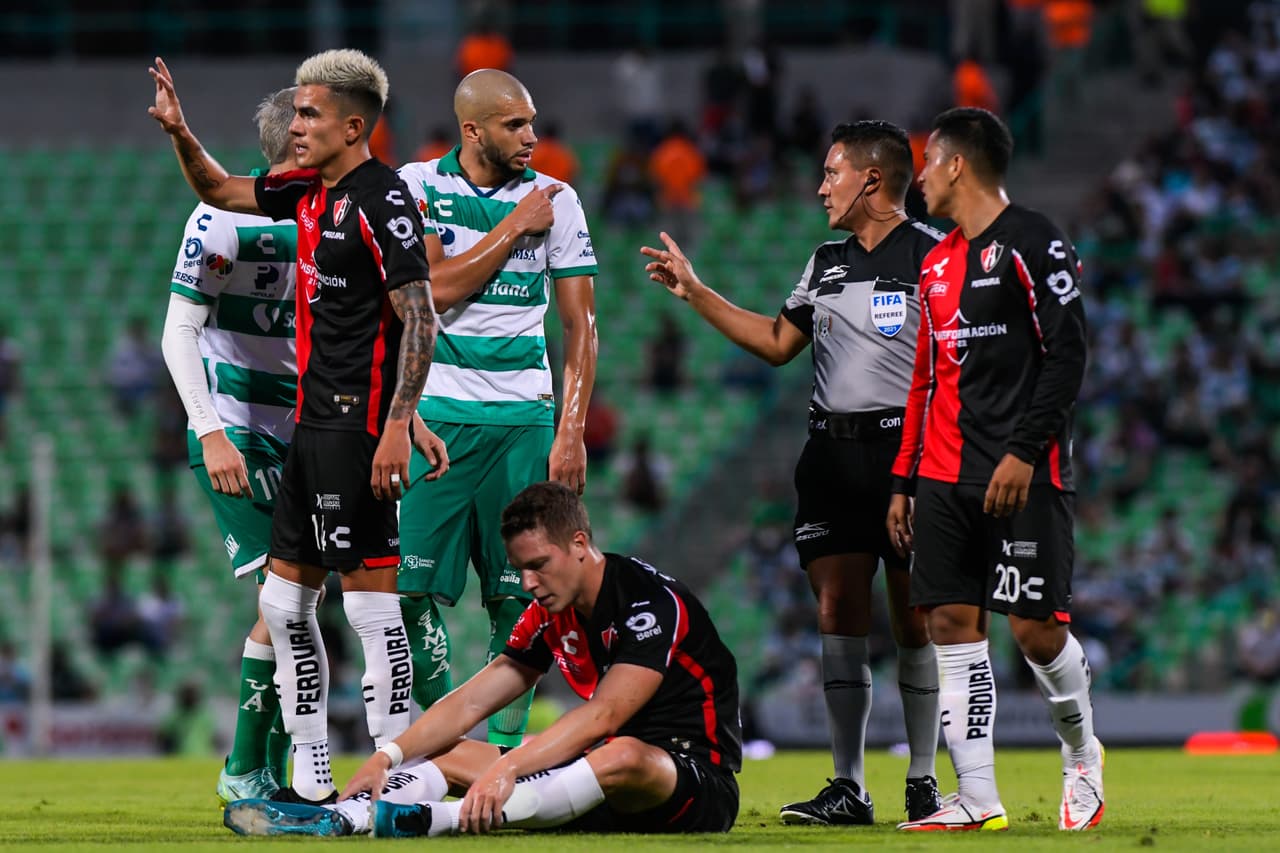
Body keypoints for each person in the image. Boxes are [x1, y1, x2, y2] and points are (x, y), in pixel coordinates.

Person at [149, 48, 447, 805]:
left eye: (309, 113)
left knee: (374, 610)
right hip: (307, 426)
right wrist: (181, 131)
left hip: (358, 427)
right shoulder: (307, 192)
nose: (294, 123)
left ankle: (396, 778)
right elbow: (218, 187)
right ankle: (311, 776)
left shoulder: (384, 202)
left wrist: (399, 423)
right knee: (285, 606)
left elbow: (421, 318)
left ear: (353, 126)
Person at [642, 120, 943, 826]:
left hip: (908, 455)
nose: (821, 187)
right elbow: (779, 342)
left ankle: (925, 779)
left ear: (872, 179)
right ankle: (849, 784)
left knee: (912, 616)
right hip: (831, 457)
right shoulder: (824, 261)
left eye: (833, 172)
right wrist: (695, 291)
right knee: (837, 611)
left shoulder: (934, 256)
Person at [222, 481, 741, 838]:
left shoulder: (648, 603)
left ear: (580, 544)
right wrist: (389, 756)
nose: (529, 583)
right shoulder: (547, 612)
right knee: (446, 751)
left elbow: (603, 716)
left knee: (624, 752)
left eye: (539, 566)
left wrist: (509, 766)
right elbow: (473, 700)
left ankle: (432, 822)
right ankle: (345, 817)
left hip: (690, 781)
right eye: (520, 569)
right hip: (590, 781)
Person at [887, 107, 1100, 832]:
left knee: (1036, 631)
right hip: (944, 474)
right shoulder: (936, 262)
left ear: (955, 164)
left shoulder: (1033, 243)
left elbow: (1068, 353)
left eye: (927, 162)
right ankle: (977, 794)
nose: (918, 177)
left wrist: (1022, 449)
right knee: (950, 620)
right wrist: (904, 478)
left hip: (1023, 473)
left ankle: (1082, 758)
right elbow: (926, 379)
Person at [395, 69, 598, 750]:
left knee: (524, 593)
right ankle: (456, 740)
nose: (532, 137)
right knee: (403, 591)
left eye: (533, 122)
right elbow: (436, 292)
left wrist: (570, 429)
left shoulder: (560, 200)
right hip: (437, 422)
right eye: (515, 125)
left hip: (524, 422)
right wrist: (514, 226)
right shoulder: (418, 187)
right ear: (473, 129)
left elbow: (581, 326)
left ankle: (505, 756)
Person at [159, 86, 299, 802]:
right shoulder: (221, 220)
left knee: (302, 596)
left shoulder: (343, 219)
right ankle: (247, 767)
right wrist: (211, 431)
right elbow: (179, 329)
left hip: (312, 431)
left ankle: (274, 769)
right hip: (239, 430)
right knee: (285, 593)